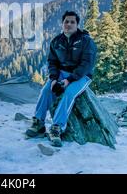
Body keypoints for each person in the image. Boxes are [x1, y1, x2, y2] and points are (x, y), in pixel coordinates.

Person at [26, 10, 97, 147]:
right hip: (61, 74)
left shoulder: (86, 41)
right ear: (62, 23)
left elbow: (87, 64)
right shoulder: (57, 41)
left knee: (69, 93)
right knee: (46, 90)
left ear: (77, 24)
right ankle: (39, 123)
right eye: (66, 22)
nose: (69, 24)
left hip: (81, 76)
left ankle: (57, 128)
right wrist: (53, 79)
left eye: (72, 22)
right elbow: (52, 62)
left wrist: (69, 80)